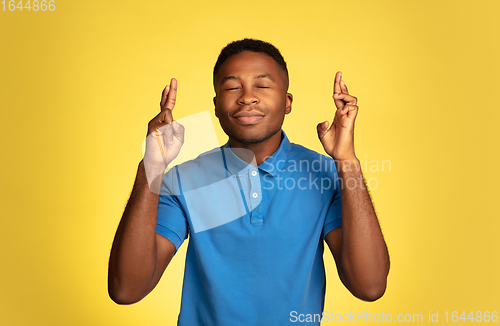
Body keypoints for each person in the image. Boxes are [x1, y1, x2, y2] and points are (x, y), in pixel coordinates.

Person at [108, 38, 390, 325]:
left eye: (263, 86)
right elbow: (126, 289)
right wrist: (151, 168)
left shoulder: (326, 175)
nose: (247, 97)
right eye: (232, 87)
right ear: (217, 106)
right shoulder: (184, 180)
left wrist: (347, 162)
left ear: (287, 102)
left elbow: (369, 286)